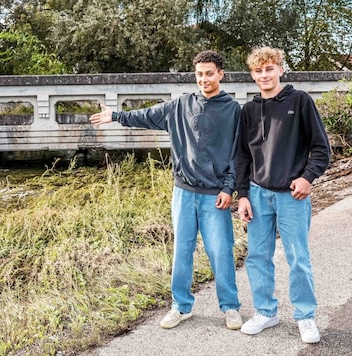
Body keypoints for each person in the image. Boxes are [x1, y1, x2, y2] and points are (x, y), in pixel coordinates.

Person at [89, 50, 242, 330]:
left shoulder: (233, 111)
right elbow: (145, 116)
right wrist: (115, 116)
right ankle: (181, 306)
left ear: (221, 74)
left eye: (209, 73)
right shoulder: (180, 105)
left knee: (221, 252)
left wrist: (230, 188)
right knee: (181, 251)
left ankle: (230, 307)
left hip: (215, 195)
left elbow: (237, 154)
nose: (204, 79)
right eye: (199, 74)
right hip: (183, 192)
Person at [235, 47, 331, 343]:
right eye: (258, 70)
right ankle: (266, 312)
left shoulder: (299, 100)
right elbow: (241, 157)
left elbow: (321, 148)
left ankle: (305, 316)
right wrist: (242, 195)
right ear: (252, 75)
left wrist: (307, 177)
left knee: (298, 257)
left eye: (269, 68)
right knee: (257, 256)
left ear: (280, 70)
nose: (264, 75)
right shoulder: (248, 110)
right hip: (258, 193)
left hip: (292, 195)